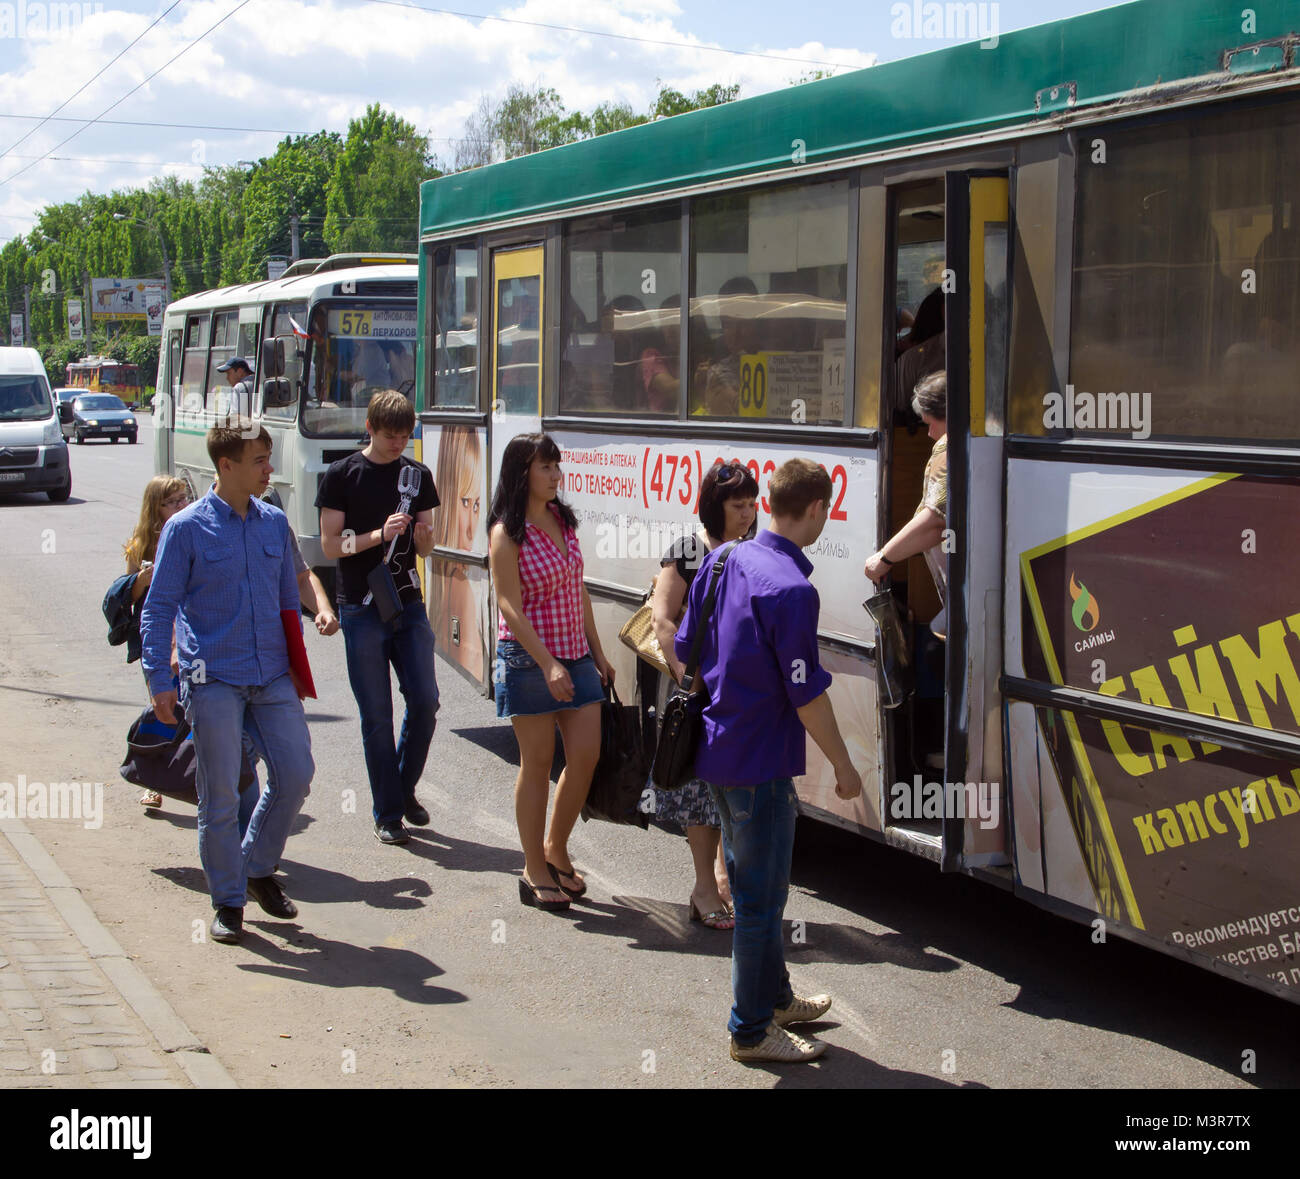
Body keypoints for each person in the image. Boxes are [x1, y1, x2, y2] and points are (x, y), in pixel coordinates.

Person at [676, 458, 862, 1063]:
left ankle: (775, 997)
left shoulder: (725, 558)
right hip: (760, 764)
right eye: (825, 511)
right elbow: (806, 694)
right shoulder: (792, 590)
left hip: (719, 749)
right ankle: (751, 1030)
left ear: (769, 503)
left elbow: (685, 647)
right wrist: (843, 765)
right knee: (759, 901)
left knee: (757, 889)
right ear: (814, 510)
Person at [140, 419, 315, 945]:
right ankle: (229, 901)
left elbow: (290, 598)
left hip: (271, 675)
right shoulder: (186, 528)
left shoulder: (272, 522)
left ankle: (257, 867)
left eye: (268, 458)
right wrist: (158, 679)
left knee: (297, 773)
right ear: (227, 466)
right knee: (220, 796)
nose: (269, 469)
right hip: (211, 677)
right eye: (259, 460)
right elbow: (158, 607)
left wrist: (304, 657)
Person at [487, 432, 614, 912]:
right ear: (522, 473)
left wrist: (597, 653)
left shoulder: (563, 518)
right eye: (546, 468)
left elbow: (575, 588)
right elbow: (507, 605)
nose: (556, 476)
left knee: (585, 755)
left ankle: (555, 848)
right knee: (537, 766)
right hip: (528, 660)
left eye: (557, 467)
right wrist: (547, 662)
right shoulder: (507, 531)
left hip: (575, 656)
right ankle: (532, 867)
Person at [318, 390, 439, 846]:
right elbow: (331, 546)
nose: (398, 444)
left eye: (406, 435)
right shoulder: (342, 475)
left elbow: (426, 546)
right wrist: (376, 535)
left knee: (425, 702)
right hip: (360, 605)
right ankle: (388, 813)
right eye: (390, 435)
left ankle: (402, 790)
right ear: (370, 428)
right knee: (376, 716)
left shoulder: (417, 475)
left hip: (407, 602)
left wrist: (425, 536)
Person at [647, 462, 759, 930]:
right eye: (738, 506)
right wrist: (688, 681)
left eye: (753, 505)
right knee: (698, 795)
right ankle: (702, 888)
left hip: (736, 692)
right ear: (716, 507)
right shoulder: (689, 551)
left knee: (729, 793)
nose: (748, 515)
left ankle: (720, 878)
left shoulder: (751, 548)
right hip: (700, 690)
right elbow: (664, 620)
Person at [123, 475, 191, 808]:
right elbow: (129, 595)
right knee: (161, 709)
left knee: (191, 709)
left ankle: (195, 775)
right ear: (156, 507)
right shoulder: (140, 545)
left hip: (189, 636)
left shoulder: (192, 532)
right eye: (173, 502)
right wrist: (142, 578)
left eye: (183, 498)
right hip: (159, 637)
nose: (182, 505)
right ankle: (154, 782)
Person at [864, 370, 949, 638]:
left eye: (931, 424)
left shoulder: (951, 452)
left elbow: (934, 520)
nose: (929, 434)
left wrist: (884, 558)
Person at [429, 425, 484, 680]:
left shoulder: (446, 586)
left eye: (476, 505)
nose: (473, 529)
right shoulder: (461, 589)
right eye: (464, 502)